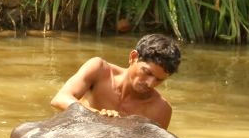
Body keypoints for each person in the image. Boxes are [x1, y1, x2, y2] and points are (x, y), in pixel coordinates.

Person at [50, 34, 181, 130]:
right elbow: (59, 99)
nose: (150, 83)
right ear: (133, 57)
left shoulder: (160, 109)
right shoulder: (99, 69)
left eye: (159, 80)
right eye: (147, 72)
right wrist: (97, 115)